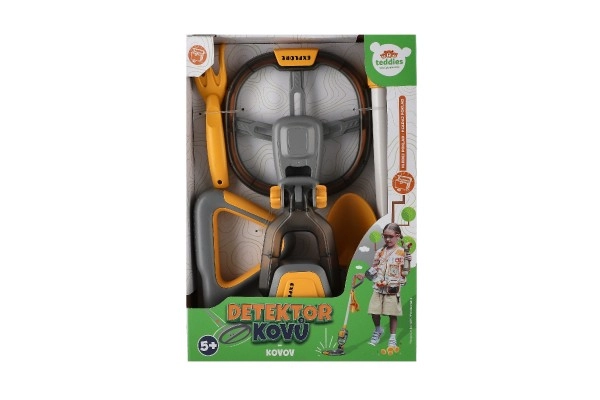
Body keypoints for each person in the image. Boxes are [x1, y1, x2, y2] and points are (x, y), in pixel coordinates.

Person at [360, 223, 412, 348]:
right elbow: (375, 267)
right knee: (374, 311)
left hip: (392, 288)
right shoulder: (380, 252)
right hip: (378, 287)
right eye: (385, 236)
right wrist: (365, 275)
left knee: (392, 313)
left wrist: (407, 261)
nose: (387, 239)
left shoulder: (402, 252)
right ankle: (378, 329)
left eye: (390, 236)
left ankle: (392, 337)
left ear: (397, 236)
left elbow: (405, 272)